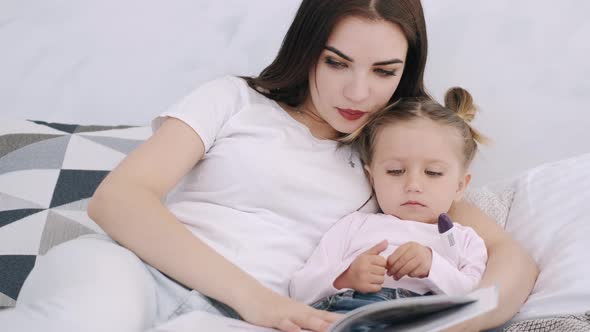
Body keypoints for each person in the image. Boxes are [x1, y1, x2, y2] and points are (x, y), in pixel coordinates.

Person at [0, 1, 538, 332]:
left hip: (246, 322)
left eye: (383, 71)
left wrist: (461, 321)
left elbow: (507, 257)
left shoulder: (391, 159)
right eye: (336, 62)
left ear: (406, 72)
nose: (357, 91)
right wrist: (255, 299)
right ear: (307, 51)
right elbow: (119, 199)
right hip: (135, 273)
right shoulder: (232, 99)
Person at [290, 88, 488, 312]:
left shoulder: (465, 240)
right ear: (371, 178)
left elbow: (474, 301)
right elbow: (300, 291)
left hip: (424, 319)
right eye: (395, 171)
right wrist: (345, 277)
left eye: (432, 172)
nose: (413, 185)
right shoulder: (354, 226)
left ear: (460, 186)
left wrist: (433, 266)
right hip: (354, 311)